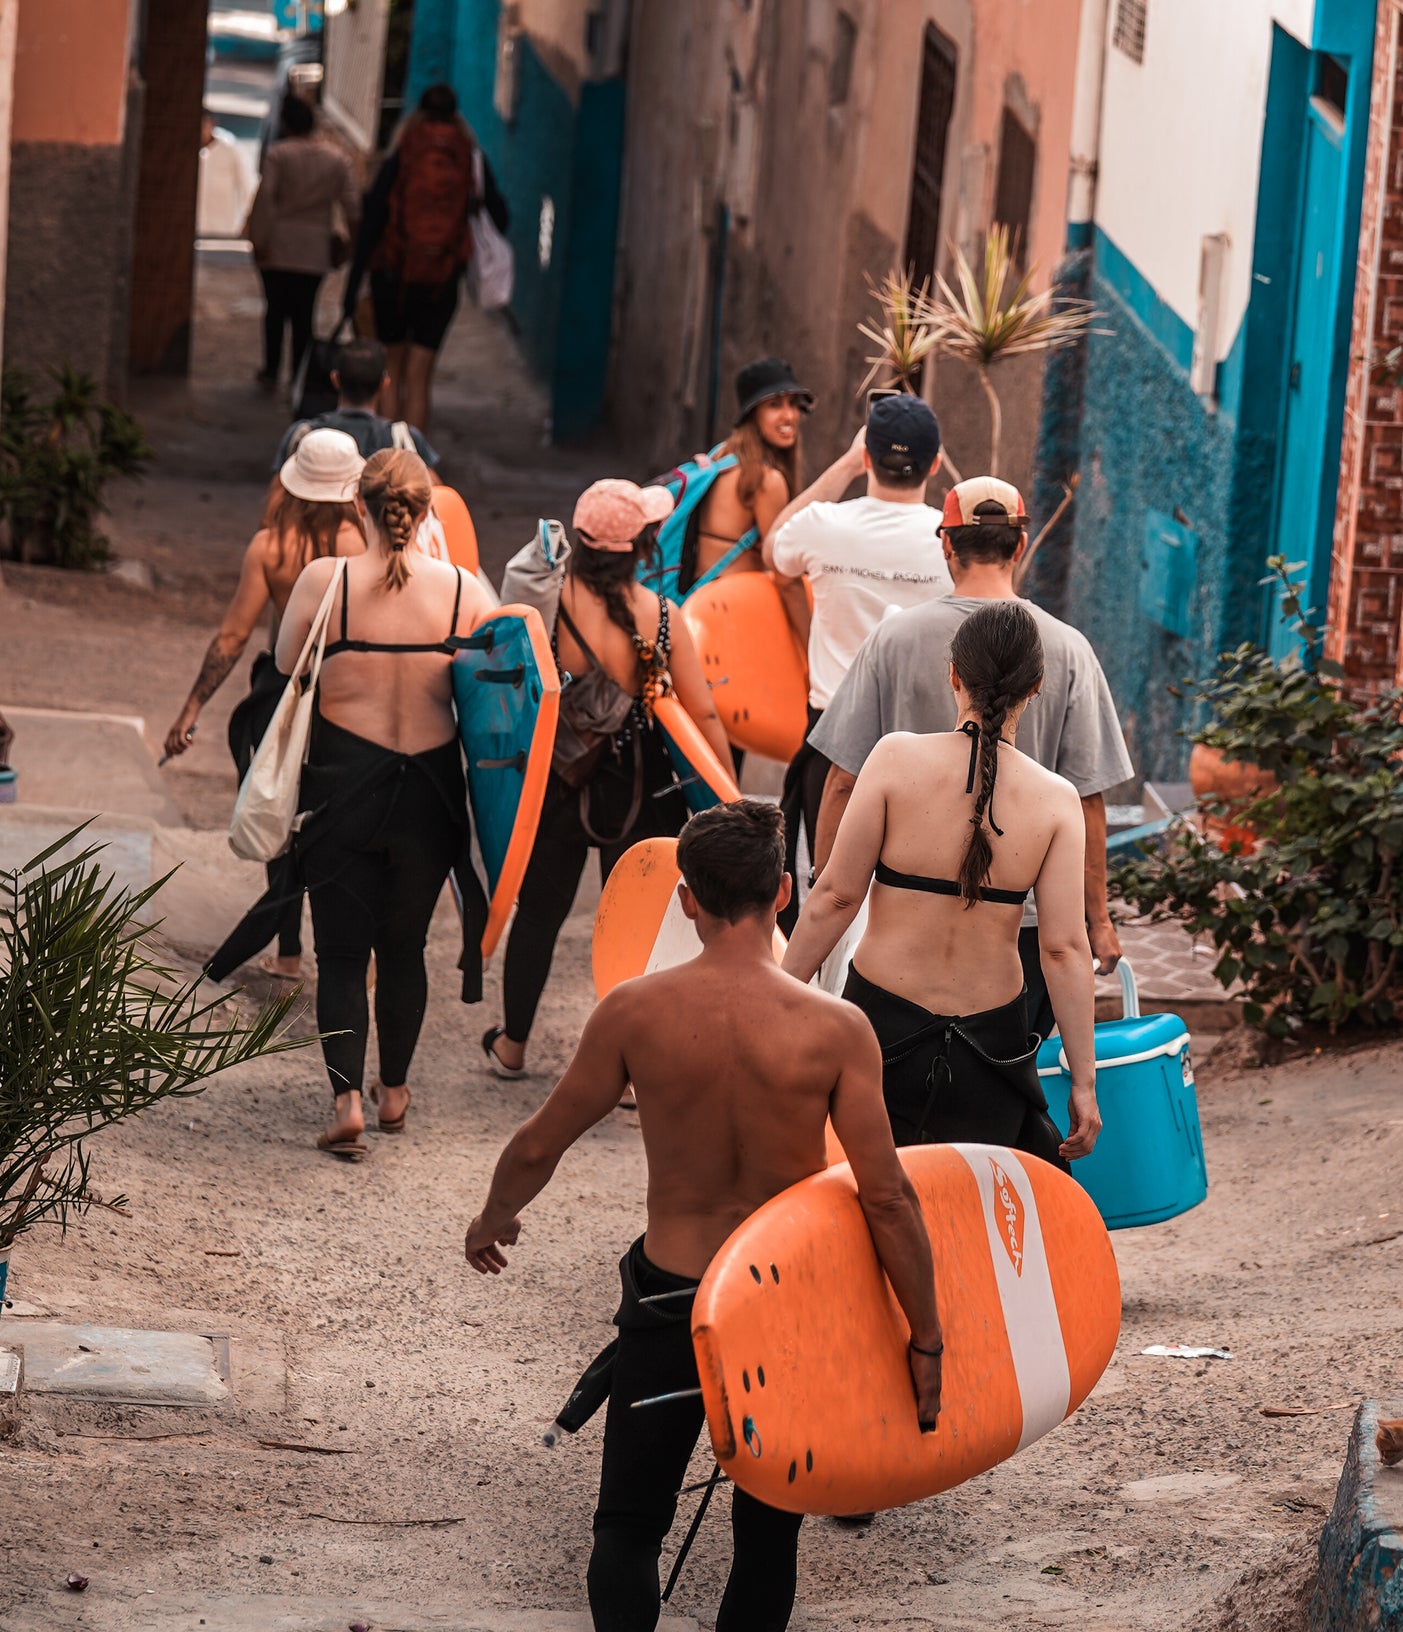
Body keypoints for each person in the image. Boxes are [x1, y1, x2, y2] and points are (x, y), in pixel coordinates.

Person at [463, 799, 942, 1632]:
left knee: (627, 1524)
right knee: (768, 1538)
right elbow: (886, 1194)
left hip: (669, 1298)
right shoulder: (834, 1030)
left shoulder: (634, 1011)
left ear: (683, 900)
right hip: (775, 1313)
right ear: (779, 895)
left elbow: (543, 1138)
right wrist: (925, 1334)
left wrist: (495, 1216)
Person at [808, 478, 1133, 1028]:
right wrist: (1096, 919)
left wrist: (826, 887)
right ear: (1021, 544)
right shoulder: (1070, 649)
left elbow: (841, 781)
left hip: (896, 917)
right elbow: (1089, 804)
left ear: (946, 544)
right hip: (1020, 927)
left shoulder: (893, 639)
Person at [784, 601, 1100, 1165]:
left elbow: (835, 897)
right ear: (1037, 686)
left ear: (953, 675)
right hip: (993, 1042)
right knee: (980, 1212)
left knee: (866, 1201)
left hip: (879, 1027)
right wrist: (1084, 1082)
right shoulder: (1056, 800)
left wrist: (779, 1001)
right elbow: (1062, 949)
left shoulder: (893, 759)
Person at [276, 444, 498, 1157]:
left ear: (357, 505)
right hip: (429, 797)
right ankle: (395, 1094)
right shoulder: (465, 591)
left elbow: (286, 664)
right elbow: (504, 689)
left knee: (342, 954)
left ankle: (345, 1101)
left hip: (343, 789)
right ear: (428, 510)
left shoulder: (326, 581)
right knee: (404, 950)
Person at [481, 481, 735, 1080]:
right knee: (636, 927)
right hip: (638, 788)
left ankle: (513, 1045)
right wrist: (728, 795)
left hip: (558, 782)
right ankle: (629, 1075)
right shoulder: (662, 615)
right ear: (642, 545)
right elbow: (700, 715)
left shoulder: (546, 604)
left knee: (539, 915)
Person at [162, 427, 366, 980]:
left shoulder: (270, 547)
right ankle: (352, 954)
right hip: (346, 700)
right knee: (336, 819)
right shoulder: (366, 547)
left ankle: (290, 951)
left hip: (281, 693)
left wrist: (191, 709)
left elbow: (232, 636)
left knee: (278, 806)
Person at [762, 391, 950, 921]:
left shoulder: (825, 525)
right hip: (924, 746)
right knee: (902, 897)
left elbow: (773, 544)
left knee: (823, 892)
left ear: (867, 456)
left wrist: (845, 463)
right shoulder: (949, 541)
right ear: (933, 464)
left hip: (831, 739)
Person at [346, 82, 507, 437]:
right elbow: (502, 217)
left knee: (392, 371)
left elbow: (374, 216)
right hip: (442, 279)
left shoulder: (404, 150)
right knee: (420, 377)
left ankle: (384, 456)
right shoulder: (468, 155)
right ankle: (412, 462)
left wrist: (355, 279)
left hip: (394, 275)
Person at [244, 91, 356, 392]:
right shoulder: (336, 159)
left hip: (278, 243)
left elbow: (265, 200)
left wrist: (259, 239)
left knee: (275, 310)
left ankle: (271, 370)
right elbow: (351, 206)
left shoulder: (279, 155)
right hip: (314, 247)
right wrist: (351, 243)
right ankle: (299, 374)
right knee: (304, 313)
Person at [685, 357, 812, 585]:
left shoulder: (720, 456)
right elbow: (784, 574)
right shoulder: (764, 480)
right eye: (775, 405)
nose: (790, 415)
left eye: (793, 403)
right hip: (734, 608)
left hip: (699, 601)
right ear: (752, 414)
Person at [277, 337, 439, 474]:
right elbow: (437, 495)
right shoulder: (405, 439)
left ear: (335, 379)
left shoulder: (303, 434)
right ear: (384, 384)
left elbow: (278, 495)